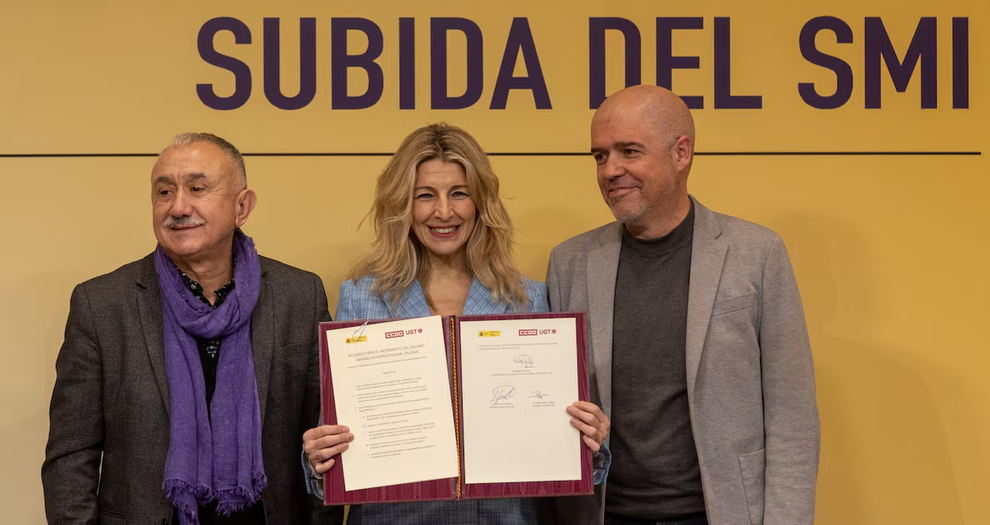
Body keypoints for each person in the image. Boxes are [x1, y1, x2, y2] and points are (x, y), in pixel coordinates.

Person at [302, 123, 610, 525]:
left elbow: (566, 456)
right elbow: (336, 453)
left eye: (459, 193)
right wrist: (320, 457)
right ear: (402, 205)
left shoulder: (527, 298)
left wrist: (589, 441)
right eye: (425, 196)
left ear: (480, 202)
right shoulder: (362, 296)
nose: (443, 212)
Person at [541, 85, 820, 525]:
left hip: (719, 514)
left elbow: (792, 419)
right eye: (599, 156)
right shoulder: (569, 262)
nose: (611, 170)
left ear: (681, 153)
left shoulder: (756, 253)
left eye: (629, 151)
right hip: (603, 515)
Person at [41, 133, 339, 525]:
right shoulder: (102, 305)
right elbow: (70, 458)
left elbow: (324, 436)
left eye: (197, 188)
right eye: (164, 192)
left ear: (242, 206)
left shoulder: (297, 296)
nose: (178, 207)